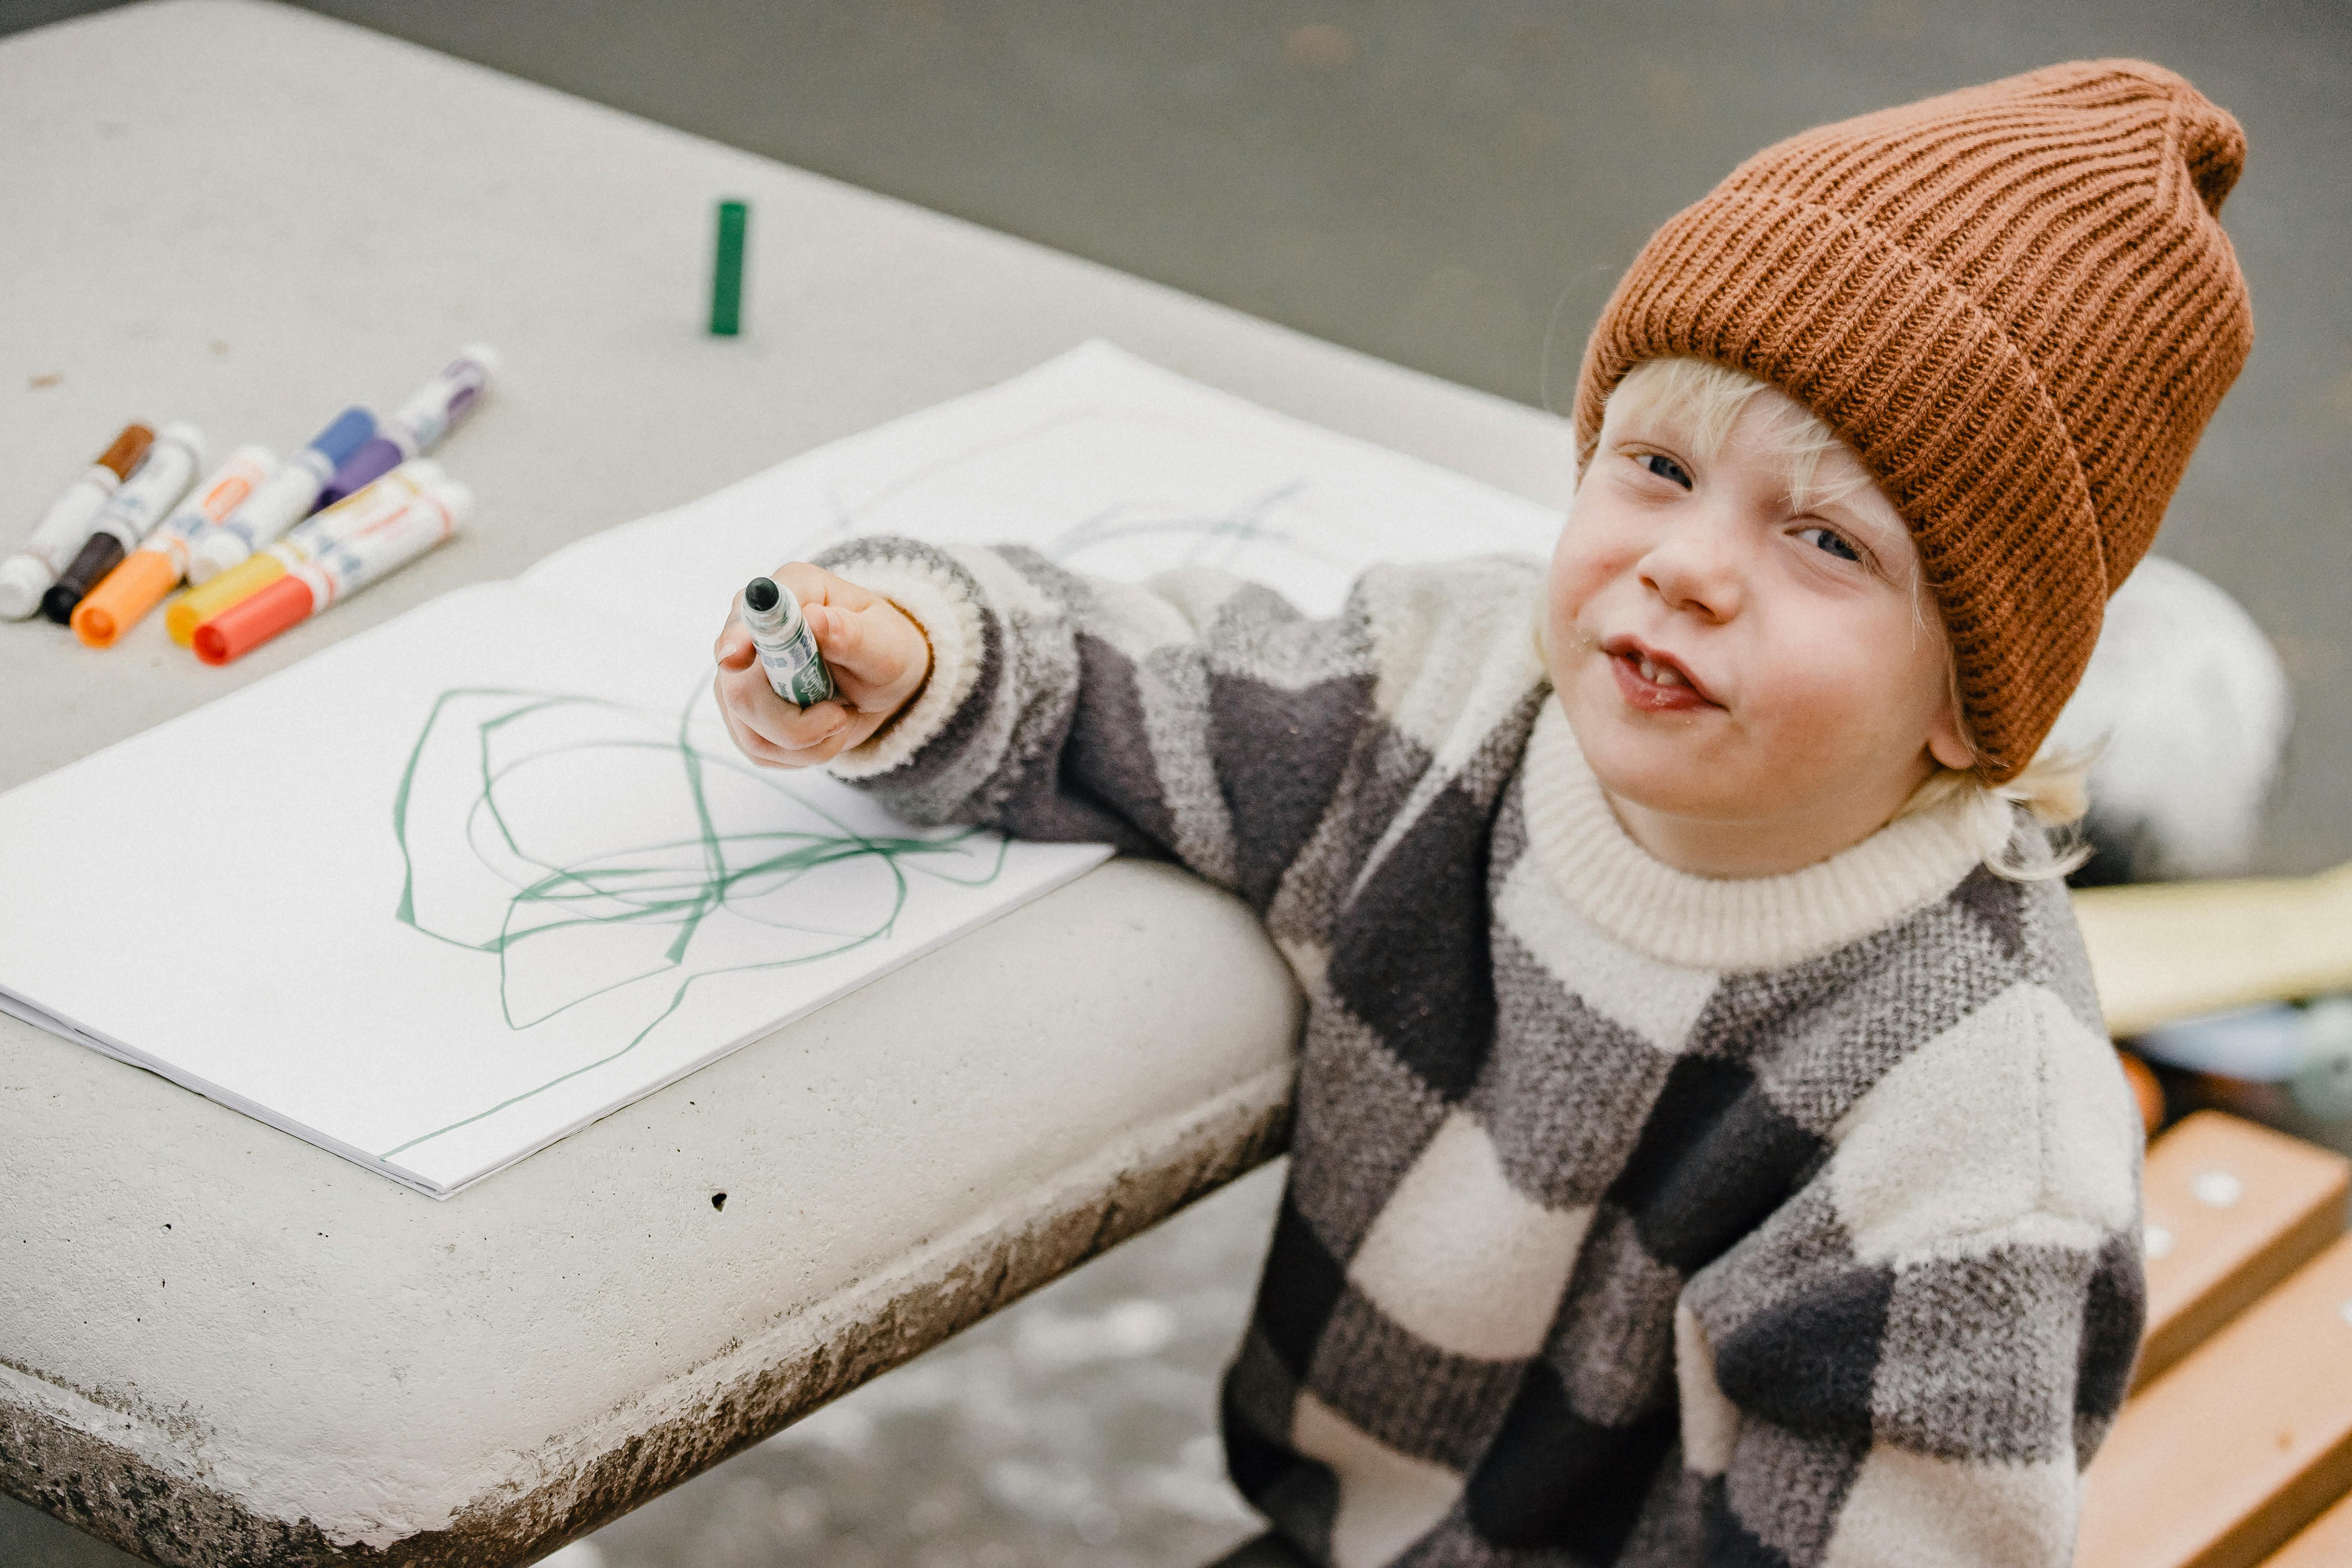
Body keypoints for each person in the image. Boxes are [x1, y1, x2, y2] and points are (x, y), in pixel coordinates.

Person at [712, 59, 2251, 1568]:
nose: (1690, 565)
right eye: (1656, 465)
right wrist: (920, 661)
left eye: (1828, 543)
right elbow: (1161, 685)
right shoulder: (1466, 699)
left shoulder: (1972, 1129)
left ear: (1971, 699)